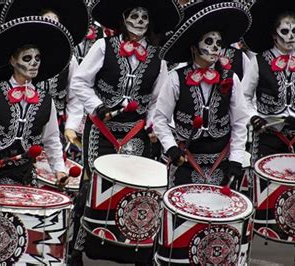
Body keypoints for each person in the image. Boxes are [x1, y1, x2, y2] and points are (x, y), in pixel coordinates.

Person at [69, 0, 181, 264]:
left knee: (138, 187)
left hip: (136, 131)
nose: (140, 20)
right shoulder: (103, 46)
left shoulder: (158, 56)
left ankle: (136, 250)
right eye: (134, 15)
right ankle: (76, 249)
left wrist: (153, 125)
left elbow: (157, 100)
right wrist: (97, 107)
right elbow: (79, 82)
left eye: (145, 16)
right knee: (92, 186)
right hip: (102, 129)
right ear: (123, 18)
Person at [0, 16, 73, 186]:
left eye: (37, 59)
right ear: (13, 61)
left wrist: (59, 169)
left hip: (24, 175)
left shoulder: (46, 99)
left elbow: (51, 139)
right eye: (27, 58)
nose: (34, 64)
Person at [242, 0, 295, 263]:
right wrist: (254, 118)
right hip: (270, 135)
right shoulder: (260, 61)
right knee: (260, 190)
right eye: (285, 31)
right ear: (274, 34)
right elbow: (244, 98)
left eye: (294, 31)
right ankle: (249, 238)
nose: (290, 37)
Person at [153, 1, 250, 187]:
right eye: (208, 42)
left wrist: (236, 158)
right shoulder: (175, 78)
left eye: (219, 43)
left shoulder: (231, 78)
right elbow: (159, 119)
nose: (215, 48)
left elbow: (239, 121)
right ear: (193, 47)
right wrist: (171, 148)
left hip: (222, 162)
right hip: (185, 162)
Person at [0, 0, 90, 151]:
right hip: (22, 123)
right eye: (47, 23)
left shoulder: (69, 59)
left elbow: (75, 95)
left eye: (56, 24)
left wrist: (71, 126)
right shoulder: (22, 56)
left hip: (56, 127)